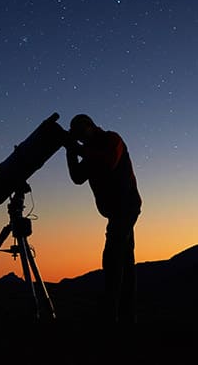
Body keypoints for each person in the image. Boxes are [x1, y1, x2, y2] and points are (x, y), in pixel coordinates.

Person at [65, 113, 142, 324]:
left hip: (126, 208)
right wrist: (71, 152)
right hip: (116, 212)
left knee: (112, 259)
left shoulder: (112, 140)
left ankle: (110, 315)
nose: (81, 138)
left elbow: (108, 162)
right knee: (125, 261)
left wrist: (79, 149)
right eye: (78, 137)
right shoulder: (90, 149)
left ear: (90, 127)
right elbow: (78, 177)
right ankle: (127, 316)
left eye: (81, 134)